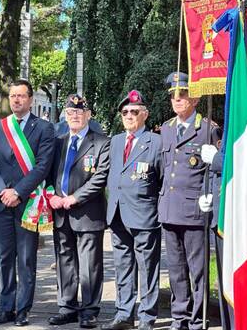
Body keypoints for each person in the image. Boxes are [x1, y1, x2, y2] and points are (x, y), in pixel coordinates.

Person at [0, 79, 55, 327]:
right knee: (4, 258)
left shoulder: (44, 128)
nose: (16, 100)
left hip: (28, 203)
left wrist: (18, 192)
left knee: (26, 260)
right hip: (1, 201)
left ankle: (23, 309)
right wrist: (4, 191)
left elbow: (42, 166)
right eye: (13, 96)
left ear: (30, 99)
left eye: (21, 96)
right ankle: (6, 308)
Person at [158, 72, 220, 330]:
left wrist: (211, 195)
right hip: (170, 209)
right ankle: (179, 316)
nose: (177, 99)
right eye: (173, 95)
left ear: (195, 98)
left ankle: (197, 318)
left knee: (198, 270)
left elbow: (219, 170)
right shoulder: (166, 128)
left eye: (182, 94)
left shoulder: (208, 129)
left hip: (195, 209)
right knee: (175, 269)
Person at [47, 94, 110, 329]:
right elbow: (49, 173)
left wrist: (75, 197)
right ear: (65, 115)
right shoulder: (58, 142)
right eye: (70, 112)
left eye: (79, 112)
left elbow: (100, 178)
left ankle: (90, 310)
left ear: (88, 115)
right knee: (64, 261)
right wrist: (51, 193)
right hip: (60, 212)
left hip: (87, 213)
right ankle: (67, 307)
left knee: (90, 264)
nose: (75, 116)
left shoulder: (101, 142)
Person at [103, 91, 163, 330]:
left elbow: (161, 180)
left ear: (145, 115)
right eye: (125, 112)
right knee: (123, 266)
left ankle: (147, 316)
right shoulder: (116, 141)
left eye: (134, 111)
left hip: (144, 215)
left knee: (148, 268)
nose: (129, 115)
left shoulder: (155, 142)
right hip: (117, 214)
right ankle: (124, 313)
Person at [199, 145, 234, 330]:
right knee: (226, 285)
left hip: (243, 220)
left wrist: (217, 160)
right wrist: (210, 194)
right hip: (221, 218)